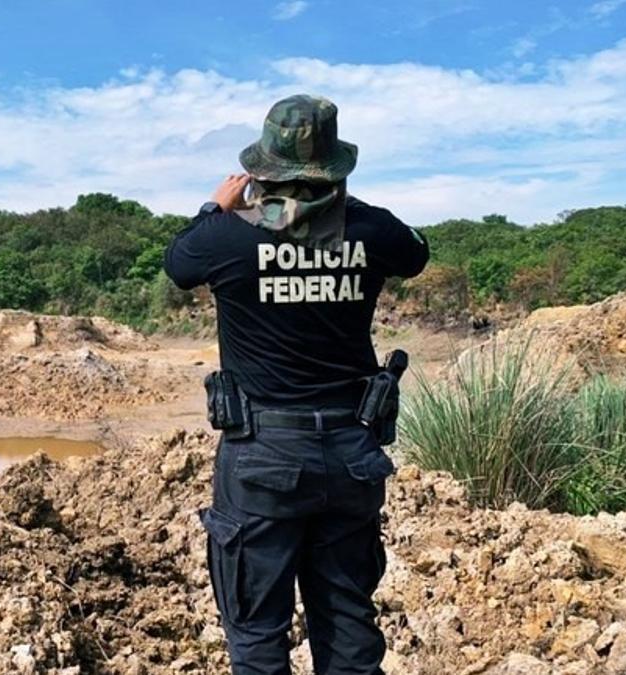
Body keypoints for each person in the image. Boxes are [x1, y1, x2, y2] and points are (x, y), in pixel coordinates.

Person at [164, 94, 429, 674]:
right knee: (348, 625)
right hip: (351, 454)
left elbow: (179, 265)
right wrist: (342, 211)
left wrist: (215, 206)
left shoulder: (224, 236)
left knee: (257, 632)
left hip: (262, 457)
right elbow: (416, 255)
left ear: (261, 167)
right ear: (337, 167)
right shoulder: (371, 229)